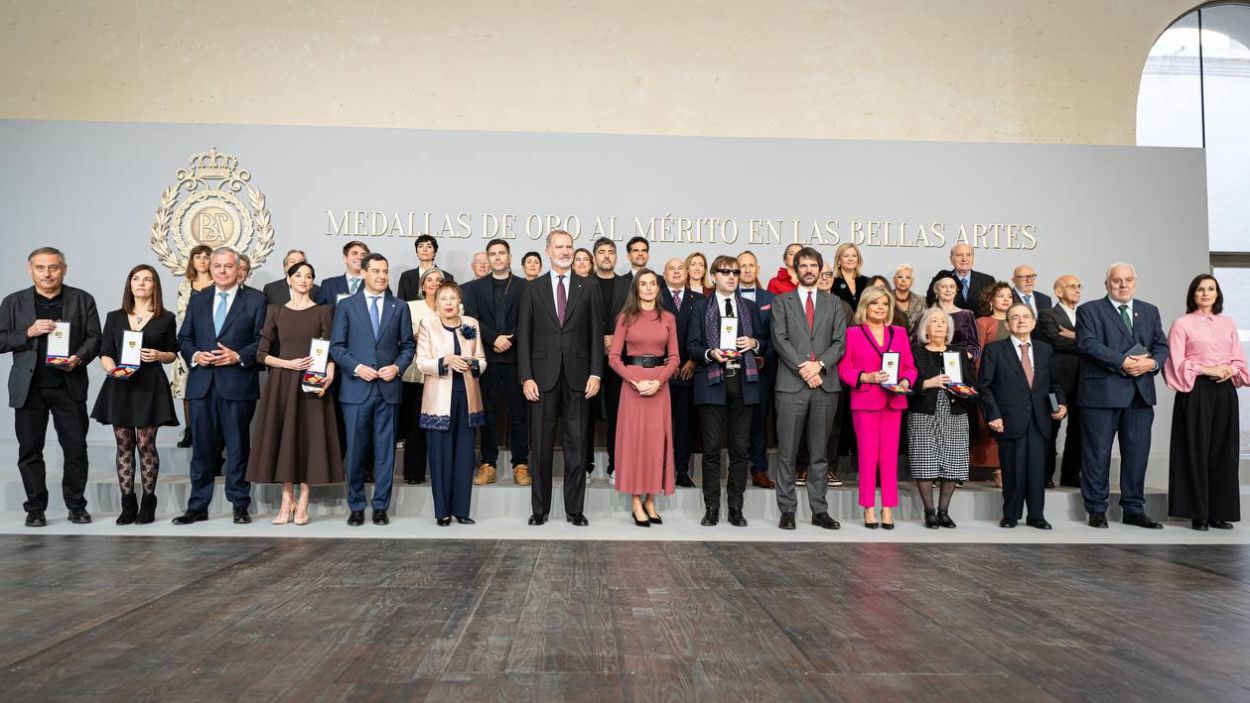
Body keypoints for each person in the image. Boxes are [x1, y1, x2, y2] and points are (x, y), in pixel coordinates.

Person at [0, 247, 101, 527]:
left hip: (68, 385)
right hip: (29, 388)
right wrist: (28, 332)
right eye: (41, 267)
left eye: (53, 267)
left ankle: (76, 506)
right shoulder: (13, 302)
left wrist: (78, 358)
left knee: (76, 449)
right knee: (30, 450)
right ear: (30, 269)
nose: (47, 273)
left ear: (64, 269)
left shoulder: (82, 299)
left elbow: (95, 337)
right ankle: (35, 509)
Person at [173, 247, 267, 525]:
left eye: (228, 266)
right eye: (217, 266)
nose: (223, 271)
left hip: (237, 383)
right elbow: (184, 337)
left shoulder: (256, 300)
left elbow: (261, 341)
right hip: (202, 384)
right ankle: (197, 506)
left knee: (238, 448)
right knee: (202, 449)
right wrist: (195, 355)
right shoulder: (198, 299)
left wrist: (238, 356)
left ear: (239, 269)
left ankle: (240, 504)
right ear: (210, 268)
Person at [245, 261, 344, 525]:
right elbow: (261, 355)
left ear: (313, 282)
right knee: (284, 439)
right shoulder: (275, 311)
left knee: (308, 439)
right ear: (288, 279)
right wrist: (287, 363)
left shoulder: (324, 311)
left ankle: (303, 502)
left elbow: (330, 350)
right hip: (282, 383)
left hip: (312, 383)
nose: (303, 279)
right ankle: (286, 499)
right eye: (298, 275)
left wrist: (330, 375)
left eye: (309, 276)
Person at [517, 230, 604, 526]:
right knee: (540, 447)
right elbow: (525, 337)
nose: (565, 251)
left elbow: (595, 335)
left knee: (577, 446)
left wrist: (596, 372)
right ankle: (539, 510)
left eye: (569, 247)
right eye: (559, 247)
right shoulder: (533, 288)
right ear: (548, 250)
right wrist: (526, 377)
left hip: (580, 379)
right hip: (541, 379)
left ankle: (574, 510)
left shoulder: (589, 286)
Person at [1077, 262, 1169, 529]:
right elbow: (1088, 343)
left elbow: (1161, 346)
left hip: (1140, 395)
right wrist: (1123, 362)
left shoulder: (1149, 311)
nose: (1123, 285)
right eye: (1117, 280)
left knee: (1137, 455)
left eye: (1128, 280)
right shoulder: (1089, 310)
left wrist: (1152, 364)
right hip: (1101, 395)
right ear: (1107, 284)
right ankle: (1096, 509)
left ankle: (1133, 509)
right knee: (1097, 455)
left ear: (1135, 283)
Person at [330, 252, 415, 527]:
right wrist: (356, 368)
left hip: (388, 389)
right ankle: (356, 506)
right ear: (364, 273)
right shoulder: (347, 305)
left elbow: (408, 347)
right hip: (356, 389)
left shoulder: (399, 306)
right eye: (376, 271)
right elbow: (337, 347)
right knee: (355, 451)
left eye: (384, 271)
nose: (381, 276)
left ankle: (380, 506)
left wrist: (397, 367)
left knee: (385, 451)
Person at [91, 264, 178, 525]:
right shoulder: (115, 316)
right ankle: (127, 503)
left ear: (155, 286)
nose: (141, 283)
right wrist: (113, 370)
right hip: (121, 384)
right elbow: (105, 352)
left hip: (150, 384)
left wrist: (159, 355)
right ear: (130, 284)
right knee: (124, 445)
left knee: (146, 445)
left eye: (147, 279)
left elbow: (173, 352)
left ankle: (148, 502)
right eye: (136, 279)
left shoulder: (166, 317)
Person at [770, 247, 848, 530]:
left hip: (825, 386)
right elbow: (780, 339)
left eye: (813, 265)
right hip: (791, 386)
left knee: (819, 453)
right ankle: (787, 510)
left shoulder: (835, 303)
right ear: (795, 269)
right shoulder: (782, 302)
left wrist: (820, 366)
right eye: (803, 265)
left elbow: (839, 342)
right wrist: (806, 368)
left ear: (820, 269)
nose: (808, 270)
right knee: (788, 452)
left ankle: (819, 510)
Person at [1163, 274, 1248, 530]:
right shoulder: (1181, 324)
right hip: (1195, 390)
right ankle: (1196, 512)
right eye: (1200, 289)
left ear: (1217, 294)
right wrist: (1206, 369)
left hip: (1224, 391)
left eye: (1211, 289)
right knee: (1194, 449)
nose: (1206, 293)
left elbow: (1239, 360)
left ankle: (1219, 512)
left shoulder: (1228, 323)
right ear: (1193, 294)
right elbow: (1176, 362)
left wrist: (1229, 370)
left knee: (1224, 450)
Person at [688, 256, 768, 527]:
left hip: (744, 382)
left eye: (735, 272)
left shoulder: (750, 307)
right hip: (713, 383)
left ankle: (735, 507)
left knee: (740, 449)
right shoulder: (700, 308)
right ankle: (711, 508)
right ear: (713, 276)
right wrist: (711, 353)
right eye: (725, 272)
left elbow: (765, 344)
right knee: (711, 450)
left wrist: (755, 342)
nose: (732, 276)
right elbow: (693, 346)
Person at [977, 304, 1067, 529]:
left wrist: (1061, 404)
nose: (1021, 321)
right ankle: (1011, 515)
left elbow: (1053, 383)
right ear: (1007, 324)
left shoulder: (1044, 349)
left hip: (1040, 419)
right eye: (1015, 317)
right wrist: (993, 415)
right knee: (1013, 469)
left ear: (1034, 323)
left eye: (1026, 317)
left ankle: (1036, 515)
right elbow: (984, 387)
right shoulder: (995, 350)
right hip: (1008, 419)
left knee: (1037, 471)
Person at [837, 287, 916, 529]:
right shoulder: (853, 334)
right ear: (866, 307)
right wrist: (866, 377)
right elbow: (844, 370)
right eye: (875, 303)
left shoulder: (900, 333)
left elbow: (910, 368)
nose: (880, 308)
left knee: (890, 458)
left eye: (884, 303)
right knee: (868, 457)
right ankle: (869, 508)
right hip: (865, 402)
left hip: (893, 402)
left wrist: (904, 381)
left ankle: (888, 508)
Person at [609, 269, 680, 527]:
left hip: (659, 387)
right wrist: (635, 381)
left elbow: (674, 358)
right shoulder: (625, 318)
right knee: (634, 445)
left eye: (653, 284)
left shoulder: (668, 318)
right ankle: (636, 502)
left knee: (655, 444)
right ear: (636, 289)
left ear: (658, 289)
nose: (648, 288)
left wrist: (658, 381)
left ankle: (651, 500)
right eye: (643, 284)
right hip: (633, 387)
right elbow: (614, 358)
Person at [416, 281, 487, 526]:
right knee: (440, 457)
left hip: (467, 397)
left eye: (452, 299)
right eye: (443, 299)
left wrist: (472, 363)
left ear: (460, 302)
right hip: (439, 399)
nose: (448, 303)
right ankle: (442, 512)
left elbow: (482, 359)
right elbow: (421, 362)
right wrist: (445, 360)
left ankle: (461, 510)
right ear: (436, 302)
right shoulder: (428, 324)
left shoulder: (472, 324)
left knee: (465, 456)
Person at [463, 239, 531, 487]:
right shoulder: (475, 288)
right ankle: (488, 463)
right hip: (488, 359)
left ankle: (521, 463)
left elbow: (529, 319)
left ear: (510, 257)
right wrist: (494, 338)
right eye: (493, 254)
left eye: (502, 253)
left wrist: (509, 338)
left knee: (519, 414)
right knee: (488, 414)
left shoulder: (525, 287)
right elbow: (471, 320)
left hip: (515, 358)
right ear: (488, 259)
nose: (498, 258)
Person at [908, 308, 973, 528]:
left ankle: (944, 511)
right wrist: (928, 383)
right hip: (924, 411)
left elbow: (970, 383)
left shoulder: (959, 352)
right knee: (925, 461)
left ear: (948, 328)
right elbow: (907, 384)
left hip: (955, 412)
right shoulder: (915, 351)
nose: (938, 325)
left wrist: (965, 390)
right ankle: (929, 512)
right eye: (933, 321)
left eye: (942, 322)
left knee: (953, 462)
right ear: (925, 327)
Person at [1036, 274, 1083, 488]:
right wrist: (1084, 340)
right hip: (1056, 382)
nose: (1077, 290)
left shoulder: (1086, 315)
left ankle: (1071, 475)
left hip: (1083, 382)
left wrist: (1074, 336)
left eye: (1079, 286)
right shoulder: (1047, 315)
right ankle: (1044, 474)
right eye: (1071, 286)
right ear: (1058, 291)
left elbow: (1098, 342)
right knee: (1051, 429)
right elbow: (1056, 341)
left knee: (1078, 430)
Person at [658, 257, 702, 488]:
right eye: (671, 268)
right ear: (663, 274)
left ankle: (682, 471)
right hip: (660, 373)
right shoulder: (654, 297)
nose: (676, 272)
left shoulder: (700, 300)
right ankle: (659, 470)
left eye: (680, 269)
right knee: (659, 426)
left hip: (688, 373)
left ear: (687, 273)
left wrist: (693, 361)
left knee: (685, 426)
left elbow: (704, 335)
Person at [398, 268, 443, 485]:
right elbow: (402, 336)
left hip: (442, 375)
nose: (434, 283)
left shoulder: (453, 306)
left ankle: (439, 471)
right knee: (415, 426)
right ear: (422, 286)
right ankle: (414, 473)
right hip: (415, 373)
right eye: (430, 280)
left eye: (438, 280)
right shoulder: (410, 307)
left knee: (439, 425)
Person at [737, 250, 776, 489]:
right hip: (733, 370)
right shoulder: (727, 297)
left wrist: (765, 356)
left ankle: (759, 469)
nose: (748, 269)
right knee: (736, 422)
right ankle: (738, 468)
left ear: (758, 269)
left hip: (762, 371)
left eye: (752, 265)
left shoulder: (770, 298)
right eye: (743, 266)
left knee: (760, 421)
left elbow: (777, 335)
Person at [171, 243, 213, 448]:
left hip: (211, 342)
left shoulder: (218, 283)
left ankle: (209, 432)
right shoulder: (185, 285)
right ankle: (190, 431)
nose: (202, 260)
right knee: (187, 390)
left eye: (206, 256)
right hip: (189, 342)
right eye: (198, 257)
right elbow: (182, 314)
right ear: (192, 260)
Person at [973, 281, 1013, 487]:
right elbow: (977, 353)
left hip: (1012, 384)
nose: (1006, 299)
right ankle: (996, 470)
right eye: (1001, 295)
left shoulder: (1017, 321)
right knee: (988, 426)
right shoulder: (983, 322)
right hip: (989, 382)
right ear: (991, 300)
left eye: (1009, 296)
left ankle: (1006, 468)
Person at [590, 237, 623, 480]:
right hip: (587, 358)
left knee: (617, 414)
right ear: (594, 257)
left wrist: (615, 339)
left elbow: (634, 318)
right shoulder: (583, 284)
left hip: (619, 359)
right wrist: (598, 338)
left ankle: (615, 466)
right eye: (601, 252)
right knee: (585, 414)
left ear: (616, 257)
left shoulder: (628, 285)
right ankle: (586, 465)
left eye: (610, 252)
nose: (606, 256)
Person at [927, 243, 994, 311]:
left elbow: (993, 309)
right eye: (959, 255)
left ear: (973, 258)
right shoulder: (941, 279)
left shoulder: (987, 281)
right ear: (951, 259)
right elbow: (931, 304)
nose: (964, 259)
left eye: (968, 255)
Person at [928, 273, 980, 359]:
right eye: (944, 287)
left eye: (952, 287)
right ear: (936, 291)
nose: (948, 290)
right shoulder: (927, 315)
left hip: (961, 363)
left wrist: (961, 358)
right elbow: (918, 343)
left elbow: (975, 347)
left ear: (956, 291)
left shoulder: (967, 314)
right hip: (932, 362)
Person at [397, 234, 454, 301]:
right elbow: (400, 304)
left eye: (429, 246)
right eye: (421, 246)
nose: (424, 249)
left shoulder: (447, 277)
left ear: (435, 252)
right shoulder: (406, 277)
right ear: (417, 252)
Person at [319, 240, 371, 305]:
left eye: (363, 255)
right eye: (354, 253)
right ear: (345, 258)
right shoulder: (328, 285)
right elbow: (319, 312)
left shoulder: (376, 284)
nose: (359, 257)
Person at [830, 242, 871, 312]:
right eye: (846, 256)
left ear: (858, 260)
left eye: (854, 256)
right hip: (842, 322)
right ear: (839, 261)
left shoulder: (867, 281)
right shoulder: (832, 282)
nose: (850, 259)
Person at [893, 263, 926, 332]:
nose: (903, 280)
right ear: (894, 280)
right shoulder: (886, 299)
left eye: (908, 277)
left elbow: (925, 324)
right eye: (900, 277)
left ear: (912, 282)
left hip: (916, 341)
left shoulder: (922, 301)